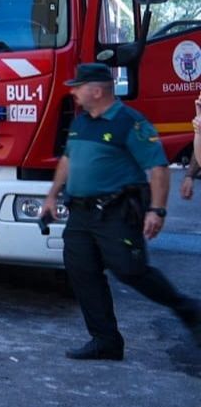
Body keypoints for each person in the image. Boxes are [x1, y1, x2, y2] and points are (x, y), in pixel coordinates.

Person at [43, 63, 201, 361]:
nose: (73, 91)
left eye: (78, 86)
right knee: (82, 272)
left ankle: (189, 310)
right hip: (80, 213)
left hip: (117, 212)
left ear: (97, 89)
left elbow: (157, 167)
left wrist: (157, 210)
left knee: (130, 270)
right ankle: (105, 340)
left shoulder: (131, 122)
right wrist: (51, 196)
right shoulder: (81, 123)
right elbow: (67, 160)